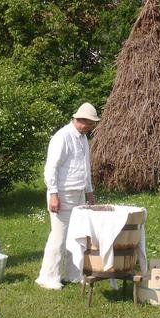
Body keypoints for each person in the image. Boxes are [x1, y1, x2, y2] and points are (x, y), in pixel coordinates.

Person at [35, 103, 99, 290]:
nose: (89, 126)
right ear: (78, 119)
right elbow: (51, 169)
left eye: (91, 124)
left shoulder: (83, 138)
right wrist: (54, 194)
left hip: (78, 192)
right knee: (59, 237)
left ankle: (72, 273)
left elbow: (85, 167)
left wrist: (89, 192)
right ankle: (48, 277)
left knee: (77, 235)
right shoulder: (62, 137)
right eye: (88, 123)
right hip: (62, 194)